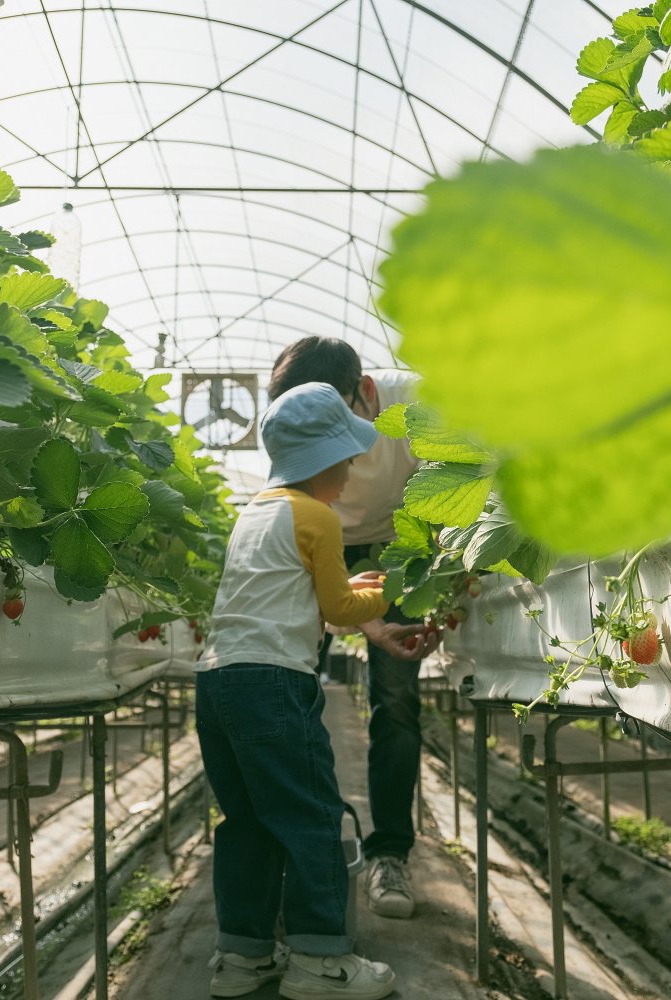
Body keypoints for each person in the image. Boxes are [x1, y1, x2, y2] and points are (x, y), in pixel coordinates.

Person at [196, 381, 397, 1000]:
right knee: (311, 816)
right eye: (346, 461)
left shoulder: (254, 515)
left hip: (218, 679)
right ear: (324, 460)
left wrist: (353, 585)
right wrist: (387, 590)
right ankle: (320, 961)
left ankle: (243, 957)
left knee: (246, 821)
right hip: (274, 683)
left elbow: (292, 592)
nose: (350, 472)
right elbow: (339, 609)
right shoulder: (319, 516)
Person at [267, 338, 438, 921]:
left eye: (334, 422)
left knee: (397, 698)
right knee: (290, 685)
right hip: (324, 535)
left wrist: (440, 579)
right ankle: (294, 849)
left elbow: (452, 497)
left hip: (403, 538)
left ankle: (389, 854)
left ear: (366, 392)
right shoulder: (295, 426)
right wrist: (355, 613)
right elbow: (299, 531)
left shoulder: (418, 404)